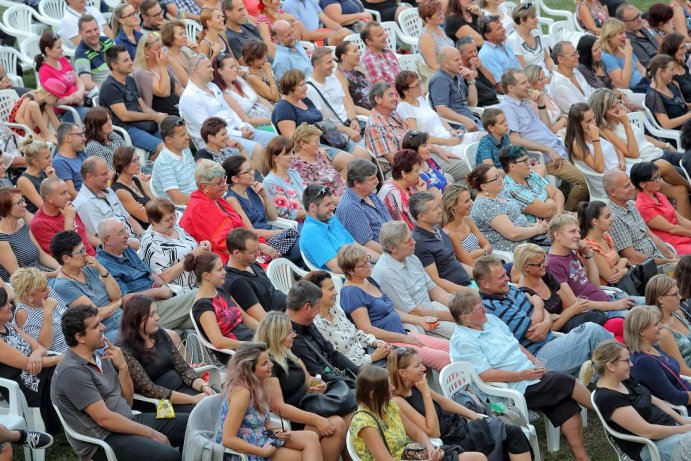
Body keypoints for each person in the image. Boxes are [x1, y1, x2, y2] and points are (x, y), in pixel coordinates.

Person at [450, 291, 599, 461]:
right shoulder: (463, 342)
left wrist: (535, 363)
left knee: (565, 403)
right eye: (479, 308)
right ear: (465, 318)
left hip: (529, 375)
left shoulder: (491, 321)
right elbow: (486, 375)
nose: (484, 310)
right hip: (506, 392)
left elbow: (515, 344)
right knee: (562, 381)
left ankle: (582, 458)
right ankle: (606, 412)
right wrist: (522, 374)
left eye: (482, 305)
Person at [51, 305, 189, 461]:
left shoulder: (100, 356)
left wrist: (123, 368)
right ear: (80, 337)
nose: (103, 327)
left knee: (191, 426)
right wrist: (152, 433)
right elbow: (105, 419)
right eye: (96, 326)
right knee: (168, 456)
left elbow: (127, 402)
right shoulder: (72, 372)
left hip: (126, 420)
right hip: (105, 438)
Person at [474, 254, 615, 373]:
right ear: (484, 284)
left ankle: (618, 377)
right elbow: (534, 333)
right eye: (501, 277)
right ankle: (624, 377)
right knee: (592, 331)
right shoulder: (492, 307)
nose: (507, 279)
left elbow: (544, 314)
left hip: (552, 340)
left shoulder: (510, 290)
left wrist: (544, 318)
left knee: (596, 334)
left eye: (505, 274)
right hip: (538, 356)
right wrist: (538, 305)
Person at [389, 346, 533, 461]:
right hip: (448, 442)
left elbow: (443, 401)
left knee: (513, 432)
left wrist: (473, 414)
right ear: (402, 373)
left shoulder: (416, 385)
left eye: (421, 363)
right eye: (417, 366)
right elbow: (433, 431)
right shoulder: (399, 401)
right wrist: (426, 393)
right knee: (505, 439)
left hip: (460, 428)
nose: (423, 368)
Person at [253, 311, 350, 461]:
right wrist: (316, 420)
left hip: (309, 406)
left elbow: (309, 379)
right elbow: (278, 407)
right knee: (336, 425)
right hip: (290, 420)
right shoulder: (268, 365)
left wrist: (320, 385)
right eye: (289, 332)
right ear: (277, 336)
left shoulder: (288, 353)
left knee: (350, 416)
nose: (294, 334)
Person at [339, 243, 451, 371]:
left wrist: (420, 320)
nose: (368, 265)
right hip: (388, 344)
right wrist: (405, 338)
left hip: (401, 334)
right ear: (349, 270)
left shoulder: (368, 280)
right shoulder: (351, 292)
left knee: (448, 346)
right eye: (363, 264)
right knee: (442, 358)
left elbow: (390, 309)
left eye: (368, 260)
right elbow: (366, 329)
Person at [352, 364, 485, 461]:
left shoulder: (389, 406)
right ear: (372, 394)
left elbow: (416, 432)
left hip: (413, 455)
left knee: (477, 458)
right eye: (388, 386)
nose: (393, 388)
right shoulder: (365, 423)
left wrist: (430, 450)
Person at [499, 69, 589, 211]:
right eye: (523, 83)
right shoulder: (507, 107)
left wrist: (541, 104)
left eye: (527, 81)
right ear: (510, 88)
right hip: (546, 157)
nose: (529, 85)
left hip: (557, 148)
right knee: (584, 181)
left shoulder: (525, 102)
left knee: (593, 172)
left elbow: (547, 128)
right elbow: (514, 139)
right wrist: (548, 149)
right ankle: (566, 212)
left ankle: (572, 210)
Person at [216, 342, 324, 460]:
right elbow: (227, 439)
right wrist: (263, 452)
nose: (271, 365)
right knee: (301, 457)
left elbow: (265, 425)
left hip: (261, 437)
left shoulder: (260, 384)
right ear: (249, 369)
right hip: (244, 450)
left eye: (269, 360)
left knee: (311, 437)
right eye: (264, 363)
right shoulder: (242, 393)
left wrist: (278, 432)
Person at [588, 339, 691, 461]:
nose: (631, 364)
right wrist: (683, 429)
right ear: (611, 366)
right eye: (627, 360)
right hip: (652, 447)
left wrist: (681, 420)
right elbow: (648, 432)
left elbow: (651, 398)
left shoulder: (623, 379)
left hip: (671, 428)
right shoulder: (608, 398)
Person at [96, 218, 198, 332]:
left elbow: (149, 270)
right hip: (144, 310)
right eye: (121, 233)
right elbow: (124, 301)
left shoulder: (124, 248)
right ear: (107, 240)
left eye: (125, 229)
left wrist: (163, 286)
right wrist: (155, 292)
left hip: (161, 300)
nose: (127, 235)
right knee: (200, 294)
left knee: (193, 327)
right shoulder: (104, 265)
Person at [118, 295, 215, 413]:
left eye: (156, 313)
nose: (158, 318)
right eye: (151, 315)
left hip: (184, 389)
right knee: (206, 411)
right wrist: (193, 399)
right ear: (136, 319)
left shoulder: (160, 334)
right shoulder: (126, 350)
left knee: (219, 400)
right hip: (161, 403)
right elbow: (150, 390)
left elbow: (183, 369)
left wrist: (204, 387)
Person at [179, 53, 273, 174]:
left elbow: (229, 111)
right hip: (218, 142)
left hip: (236, 131)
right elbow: (209, 130)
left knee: (276, 141)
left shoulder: (213, 87)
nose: (212, 69)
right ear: (196, 70)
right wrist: (239, 133)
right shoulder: (190, 97)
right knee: (258, 149)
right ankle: (254, 186)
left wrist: (242, 126)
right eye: (208, 66)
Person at [515, 243, 624, 340]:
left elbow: (569, 303)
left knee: (622, 327)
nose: (546, 264)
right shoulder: (524, 295)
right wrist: (570, 311)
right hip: (565, 335)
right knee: (620, 330)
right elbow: (548, 329)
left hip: (577, 321)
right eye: (540, 263)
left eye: (544, 259)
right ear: (526, 268)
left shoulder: (546, 276)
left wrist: (563, 314)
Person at [372, 221, 456, 337]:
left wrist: (456, 306)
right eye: (408, 242)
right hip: (420, 321)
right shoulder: (387, 273)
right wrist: (451, 316)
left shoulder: (411, 256)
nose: (414, 242)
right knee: (464, 330)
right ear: (393, 248)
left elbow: (433, 289)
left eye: (411, 238)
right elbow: (413, 312)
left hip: (432, 308)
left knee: (470, 312)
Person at [396, 71, 480, 182]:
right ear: (405, 91)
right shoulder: (404, 107)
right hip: (438, 145)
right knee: (479, 151)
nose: (420, 87)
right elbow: (417, 138)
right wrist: (448, 141)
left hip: (448, 137)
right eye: (415, 86)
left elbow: (437, 118)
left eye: (419, 83)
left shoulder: (419, 99)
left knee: (485, 138)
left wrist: (451, 130)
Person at [0, 286, 61, 436]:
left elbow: (41, 349)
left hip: (39, 370)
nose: (10, 306)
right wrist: (61, 358)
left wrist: (35, 355)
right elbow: (27, 365)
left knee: (67, 372)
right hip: (24, 384)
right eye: (4, 304)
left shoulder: (9, 325)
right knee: (65, 372)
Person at [546, 213, 638, 310]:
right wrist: (613, 306)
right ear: (557, 235)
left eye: (578, 231)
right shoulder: (552, 263)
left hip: (609, 299)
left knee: (650, 305)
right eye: (572, 232)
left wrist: (589, 255)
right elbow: (572, 302)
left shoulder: (570, 253)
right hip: (601, 311)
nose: (578, 235)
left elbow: (595, 284)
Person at [590, 87, 685, 180]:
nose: (618, 108)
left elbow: (642, 137)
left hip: (658, 153)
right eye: (612, 107)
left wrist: (667, 145)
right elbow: (633, 154)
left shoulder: (619, 119)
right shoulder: (606, 130)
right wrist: (626, 124)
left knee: (688, 160)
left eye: (618, 103)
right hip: (649, 162)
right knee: (685, 173)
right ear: (602, 111)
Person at [179, 160, 262, 264]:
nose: (224, 185)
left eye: (224, 180)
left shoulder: (217, 198)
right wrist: (255, 246)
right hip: (224, 258)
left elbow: (241, 227)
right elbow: (222, 243)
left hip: (243, 246)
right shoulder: (200, 206)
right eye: (219, 183)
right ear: (205, 187)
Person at [224, 156, 302, 265]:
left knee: (309, 239)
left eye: (251, 169)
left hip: (274, 233)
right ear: (235, 179)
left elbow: (272, 217)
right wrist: (281, 232)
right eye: (247, 171)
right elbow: (251, 232)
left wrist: (264, 195)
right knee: (306, 245)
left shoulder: (251, 189)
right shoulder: (232, 199)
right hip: (263, 243)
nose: (252, 173)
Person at [272, 70, 355, 171]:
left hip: (328, 137)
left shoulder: (303, 99)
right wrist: (316, 148)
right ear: (291, 89)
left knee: (362, 153)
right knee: (347, 160)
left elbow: (322, 122)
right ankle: (343, 186)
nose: (306, 87)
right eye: (302, 85)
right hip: (310, 148)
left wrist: (346, 130)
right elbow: (292, 140)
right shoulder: (283, 108)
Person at [305, 270, 392, 367]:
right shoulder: (316, 324)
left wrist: (376, 342)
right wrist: (372, 357)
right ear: (317, 294)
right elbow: (335, 360)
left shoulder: (335, 310)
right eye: (331, 289)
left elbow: (357, 333)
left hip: (367, 354)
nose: (336, 292)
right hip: (357, 370)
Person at [50, 230, 124, 341]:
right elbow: (96, 315)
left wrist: (100, 268)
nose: (86, 254)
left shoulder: (88, 267)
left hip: (120, 317)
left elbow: (117, 295)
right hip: (106, 329)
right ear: (66, 258)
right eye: (80, 252)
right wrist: (118, 303)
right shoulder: (63, 285)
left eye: (84, 248)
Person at [186, 251, 257, 363]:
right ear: (206, 275)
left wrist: (266, 330)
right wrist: (249, 345)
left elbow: (245, 317)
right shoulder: (203, 306)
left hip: (248, 338)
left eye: (223, 267)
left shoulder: (220, 289)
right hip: (236, 353)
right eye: (219, 270)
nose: (224, 272)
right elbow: (218, 341)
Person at [604, 169, 680, 269]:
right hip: (647, 269)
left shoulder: (631, 204)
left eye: (631, 183)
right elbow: (633, 258)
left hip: (659, 258)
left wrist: (671, 256)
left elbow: (650, 234)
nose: (632, 187)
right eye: (627, 186)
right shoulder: (614, 217)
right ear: (612, 192)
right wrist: (668, 261)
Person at [100, 45, 166, 157]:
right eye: (126, 60)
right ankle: (151, 170)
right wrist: (153, 117)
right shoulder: (109, 87)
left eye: (130, 58)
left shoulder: (129, 79)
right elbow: (124, 116)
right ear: (114, 65)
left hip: (140, 124)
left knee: (173, 140)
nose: (131, 62)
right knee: (163, 148)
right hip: (123, 129)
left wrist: (159, 116)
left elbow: (143, 107)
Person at [466, 163, 548, 253]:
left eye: (500, 175)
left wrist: (535, 226)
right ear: (484, 186)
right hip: (517, 252)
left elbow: (515, 221)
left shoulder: (498, 194)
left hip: (529, 240)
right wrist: (536, 229)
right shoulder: (484, 205)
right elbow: (512, 233)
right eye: (496, 178)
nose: (501, 179)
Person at [625, 305, 691, 409]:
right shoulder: (644, 362)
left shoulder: (654, 347)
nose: (662, 326)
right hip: (683, 407)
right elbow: (675, 397)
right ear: (641, 331)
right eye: (656, 324)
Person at [139, 198, 209, 293]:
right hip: (184, 290)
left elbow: (191, 247)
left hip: (201, 279)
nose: (174, 221)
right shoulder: (151, 241)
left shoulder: (176, 228)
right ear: (154, 221)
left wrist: (203, 247)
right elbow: (163, 277)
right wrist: (192, 256)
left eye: (174, 216)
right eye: (168, 219)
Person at [409, 191, 473, 293]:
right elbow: (435, 281)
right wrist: (471, 292)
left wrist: (481, 276)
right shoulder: (420, 243)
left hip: (468, 283)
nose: (440, 211)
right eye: (435, 209)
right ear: (422, 216)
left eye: (438, 206)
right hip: (459, 294)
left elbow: (454, 262)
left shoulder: (436, 228)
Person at [307, 48, 368, 153]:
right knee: (365, 150)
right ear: (317, 65)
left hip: (350, 124)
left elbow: (347, 104)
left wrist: (353, 120)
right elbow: (323, 122)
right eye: (329, 62)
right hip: (335, 133)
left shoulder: (333, 79)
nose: (333, 65)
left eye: (332, 61)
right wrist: (347, 130)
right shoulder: (310, 89)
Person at [74, 156, 145, 243]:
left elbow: (127, 217)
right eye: (104, 174)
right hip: (124, 248)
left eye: (108, 172)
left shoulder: (108, 190)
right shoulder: (85, 204)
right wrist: (140, 245)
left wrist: (143, 235)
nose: (109, 177)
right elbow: (106, 241)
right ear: (90, 176)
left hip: (136, 240)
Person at [224, 227, 288, 320]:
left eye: (257, 249)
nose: (257, 254)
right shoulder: (238, 283)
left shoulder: (251, 263)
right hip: (281, 320)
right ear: (237, 253)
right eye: (252, 252)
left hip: (287, 306)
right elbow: (263, 319)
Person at [299, 184, 365, 272]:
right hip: (348, 277)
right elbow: (337, 268)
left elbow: (356, 246)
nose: (333, 208)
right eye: (327, 205)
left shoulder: (330, 218)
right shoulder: (311, 233)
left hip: (360, 265)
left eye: (332, 203)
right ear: (312, 207)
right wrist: (368, 269)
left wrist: (380, 258)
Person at [0, 187, 59, 283]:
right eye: (19, 203)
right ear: (6, 209)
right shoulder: (2, 240)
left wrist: (60, 268)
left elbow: (42, 255)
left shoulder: (22, 225)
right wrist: (54, 274)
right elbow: (19, 275)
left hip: (42, 275)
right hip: (28, 286)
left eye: (23, 200)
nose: (25, 204)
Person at [632, 162, 691, 255]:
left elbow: (681, 219)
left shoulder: (660, 196)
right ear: (642, 184)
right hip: (673, 245)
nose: (659, 180)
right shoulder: (642, 206)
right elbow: (672, 229)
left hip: (684, 236)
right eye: (654, 179)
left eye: (658, 176)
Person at [31, 178, 98, 257]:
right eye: (63, 193)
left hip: (95, 257)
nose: (69, 196)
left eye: (67, 192)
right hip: (80, 265)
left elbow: (83, 233)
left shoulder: (66, 206)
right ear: (49, 199)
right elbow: (66, 254)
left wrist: (103, 246)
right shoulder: (40, 225)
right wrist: (69, 220)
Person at [335, 159, 391, 254]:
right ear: (357, 183)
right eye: (371, 179)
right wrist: (395, 253)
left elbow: (389, 221)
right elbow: (367, 244)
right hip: (381, 258)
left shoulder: (370, 194)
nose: (377, 181)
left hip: (394, 246)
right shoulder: (351, 208)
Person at [499, 145, 565, 223]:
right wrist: (550, 200)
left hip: (555, 220)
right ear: (512, 166)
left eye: (528, 159)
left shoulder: (531, 175)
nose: (529, 163)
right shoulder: (511, 189)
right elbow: (547, 210)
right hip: (537, 230)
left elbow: (557, 194)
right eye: (525, 160)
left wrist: (558, 216)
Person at [11, 267, 69, 354]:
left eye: (46, 287)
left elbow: (69, 316)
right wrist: (47, 313)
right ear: (28, 295)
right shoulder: (23, 313)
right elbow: (44, 346)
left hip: (77, 340)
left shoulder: (48, 293)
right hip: (60, 354)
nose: (48, 290)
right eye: (42, 290)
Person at [35, 32, 89, 122]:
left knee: (104, 107)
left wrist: (79, 92)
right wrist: (72, 99)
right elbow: (52, 100)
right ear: (48, 50)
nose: (62, 50)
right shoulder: (45, 71)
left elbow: (79, 81)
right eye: (58, 47)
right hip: (66, 111)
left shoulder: (62, 60)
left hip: (80, 100)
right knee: (95, 116)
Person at [429, 47, 483, 135]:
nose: (461, 62)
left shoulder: (457, 76)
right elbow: (441, 110)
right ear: (445, 64)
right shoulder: (440, 80)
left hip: (472, 122)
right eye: (456, 60)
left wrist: (470, 80)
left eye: (460, 59)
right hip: (460, 128)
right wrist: (465, 120)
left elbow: (472, 104)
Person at [579, 201, 633, 288]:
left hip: (623, 283)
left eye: (611, 215)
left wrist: (624, 269)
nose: (612, 219)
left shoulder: (605, 236)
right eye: (607, 217)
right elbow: (611, 278)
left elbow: (618, 264)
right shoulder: (589, 246)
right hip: (609, 290)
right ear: (595, 221)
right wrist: (625, 262)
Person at [214, 54, 274, 130]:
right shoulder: (225, 94)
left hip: (268, 114)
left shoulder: (239, 79)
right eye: (231, 67)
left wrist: (276, 112)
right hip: (257, 125)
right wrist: (273, 120)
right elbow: (246, 120)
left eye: (235, 66)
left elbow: (259, 99)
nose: (235, 69)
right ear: (220, 71)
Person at [647, 274, 691, 376]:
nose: (680, 297)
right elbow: (682, 370)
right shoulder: (662, 332)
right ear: (660, 299)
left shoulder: (677, 313)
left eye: (678, 292)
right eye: (675, 294)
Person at [441, 185, 493, 267]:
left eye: (470, 199)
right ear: (453, 206)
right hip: (477, 272)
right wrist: (484, 252)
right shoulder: (450, 233)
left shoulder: (467, 220)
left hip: (485, 264)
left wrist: (481, 252)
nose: (471, 203)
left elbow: (488, 246)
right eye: (466, 201)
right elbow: (470, 264)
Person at [291, 123, 347, 198]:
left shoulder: (318, 155)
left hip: (344, 194)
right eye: (316, 141)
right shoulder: (298, 166)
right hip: (332, 203)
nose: (319, 144)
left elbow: (337, 175)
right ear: (303, 144)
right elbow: (316, 196)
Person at [150, 116, 197, 205]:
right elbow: (178, 199)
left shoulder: (184, 148)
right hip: (185, 208)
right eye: (182, 135)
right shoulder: (164, 163)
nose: (187, 137)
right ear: (168, 139)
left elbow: (195, 178)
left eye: (186, 133)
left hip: (198, 199)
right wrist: (204, 198)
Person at [365, 82, 409, 174]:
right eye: (390, 95)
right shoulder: (375, 126)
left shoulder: (393, 114)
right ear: (378, 99)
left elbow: (413, 136)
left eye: (394, 95)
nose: (395, 98)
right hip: (401, 171)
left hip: (416, 158)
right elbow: (396, 160)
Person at [132, 33, 181, 117]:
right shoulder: (141, 72)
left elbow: (179, 88)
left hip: (178, 106)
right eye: (157, 48)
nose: (162, 51)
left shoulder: (163, 63)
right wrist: (162, 67)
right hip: (164, 114)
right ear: (146, 51)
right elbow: (164, 92)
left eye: (162, 47)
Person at [377, 149, 425, 229]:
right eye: (416, 171)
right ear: (404, 174)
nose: (420, 173)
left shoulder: (409, 182)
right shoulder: (392, 194)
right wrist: (422, 196)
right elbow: (411, 227)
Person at [262, 135, 307, 221]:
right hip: (298, 224)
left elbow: (309, 196)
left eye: (292, 152)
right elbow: (288, 214)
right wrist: (315, 212)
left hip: (311, 217)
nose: (292, 156)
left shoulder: (293, 173)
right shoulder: (270, 183)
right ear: (275, 158)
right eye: (287, 154)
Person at [600, 18, 650, 92]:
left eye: (624, 32)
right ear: (609, 37)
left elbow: (641, 69)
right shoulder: (607, 57)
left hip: (644, 82)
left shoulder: (623, 48)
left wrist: (650, 81)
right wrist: (628, 56)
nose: (625, 36)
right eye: (620, 33)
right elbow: (623, 85)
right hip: (634, 89)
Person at [549, 41, 596, 115]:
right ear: (560, 59)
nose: (578, 56)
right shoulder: (558, 84)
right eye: (573, 54)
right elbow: (578, 112)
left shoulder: (576, 71)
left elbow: (591, 91)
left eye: (576, 53)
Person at [646, 54, 691, 130]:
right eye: (671, 70)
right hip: (679, 132)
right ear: (660, 71)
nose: (674, 73)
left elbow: (684, 105)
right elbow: (667, 124)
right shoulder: (653, 95)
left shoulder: (673, 84)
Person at [508, 3, 555, 76]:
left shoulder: (536, 33)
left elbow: (547, 58)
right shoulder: (514, 40)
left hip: (546, 75)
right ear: (522, 20)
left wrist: (554, 71)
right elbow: (523, 71)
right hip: (533, 80)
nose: (537, 19)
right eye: (533, 17)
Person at [112, 147, 153, 228]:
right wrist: (152, 208)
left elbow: (155, 202)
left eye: (138, 159)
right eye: (134, 161)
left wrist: (147, 208)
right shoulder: (120, 190)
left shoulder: (137, 180)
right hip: (146, 230)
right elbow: (145, 218)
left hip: (157, 222)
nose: (139, 163)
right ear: (123, 165)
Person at [74, 15, 116, 91]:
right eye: (88, 31)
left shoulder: (107, 41)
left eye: (95, 29)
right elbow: (87, 84)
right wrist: (109, 91)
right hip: (108, 92)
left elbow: (123, 61)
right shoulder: (81, 55)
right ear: (80, 33)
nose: (94, 34)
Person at [477, 16, 521, 87]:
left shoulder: (504, 44)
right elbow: (500, 86)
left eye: (501, 26)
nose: (503, 29)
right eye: (498, 29)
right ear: (487, 35)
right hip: (511, 94)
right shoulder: (487, 55)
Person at [401, 131, 449, 195]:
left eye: (428, 144)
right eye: (424, 146)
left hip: (448, 194)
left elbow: (446, 181)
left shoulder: (430, 161)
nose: (430, 147)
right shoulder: (418, 174)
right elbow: (438, 199)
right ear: (413, 151)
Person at [417, 0, 456, 80]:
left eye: (442, 13)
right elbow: (433, 66)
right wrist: (454, 70)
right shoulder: (426, 37)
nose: (442, 16)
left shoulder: (439, 28)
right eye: (439, 15)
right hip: (440, 77)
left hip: (450, 69)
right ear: (428, 19)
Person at [16, 138, 55, 214]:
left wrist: (52, 178)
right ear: (35, 161)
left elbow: (60, 196)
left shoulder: (44, 172)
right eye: (47, 158)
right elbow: (43, 206)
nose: (51, 160)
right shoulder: (24, 181)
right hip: (38, 219)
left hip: (51, 213)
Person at [335, 40, 372, 114]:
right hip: (367, 115)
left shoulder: (357, 68)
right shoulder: (340, 76)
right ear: (344, 57)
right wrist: (376, 116)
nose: (359, 54)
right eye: (355, 51)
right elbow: (351, 107)